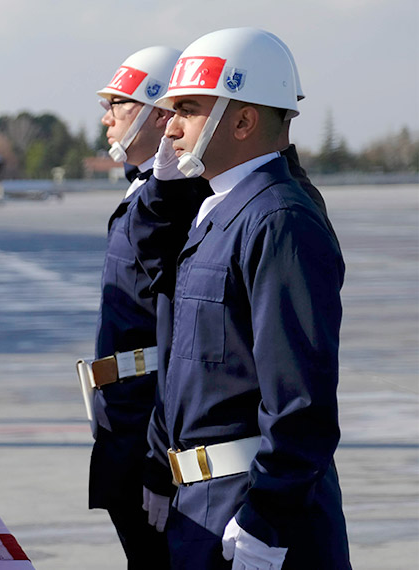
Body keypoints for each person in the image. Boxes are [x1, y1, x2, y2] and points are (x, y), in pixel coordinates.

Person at [145, 27, 350, 569]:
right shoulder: (219, 211)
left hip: (252, 514)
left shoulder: (279, 220)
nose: (170, 126)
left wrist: (268, 520)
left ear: (241, 121)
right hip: (204, 506)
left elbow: (300, 398)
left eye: (188, 108)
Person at [78, 45, 190, 569]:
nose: (107, 117)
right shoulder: (146, 192)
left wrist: (158, 454)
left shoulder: (178, 200)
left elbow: (178, 330)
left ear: (159, 113)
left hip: (149, 419)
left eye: (119, 105)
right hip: (125, 415)